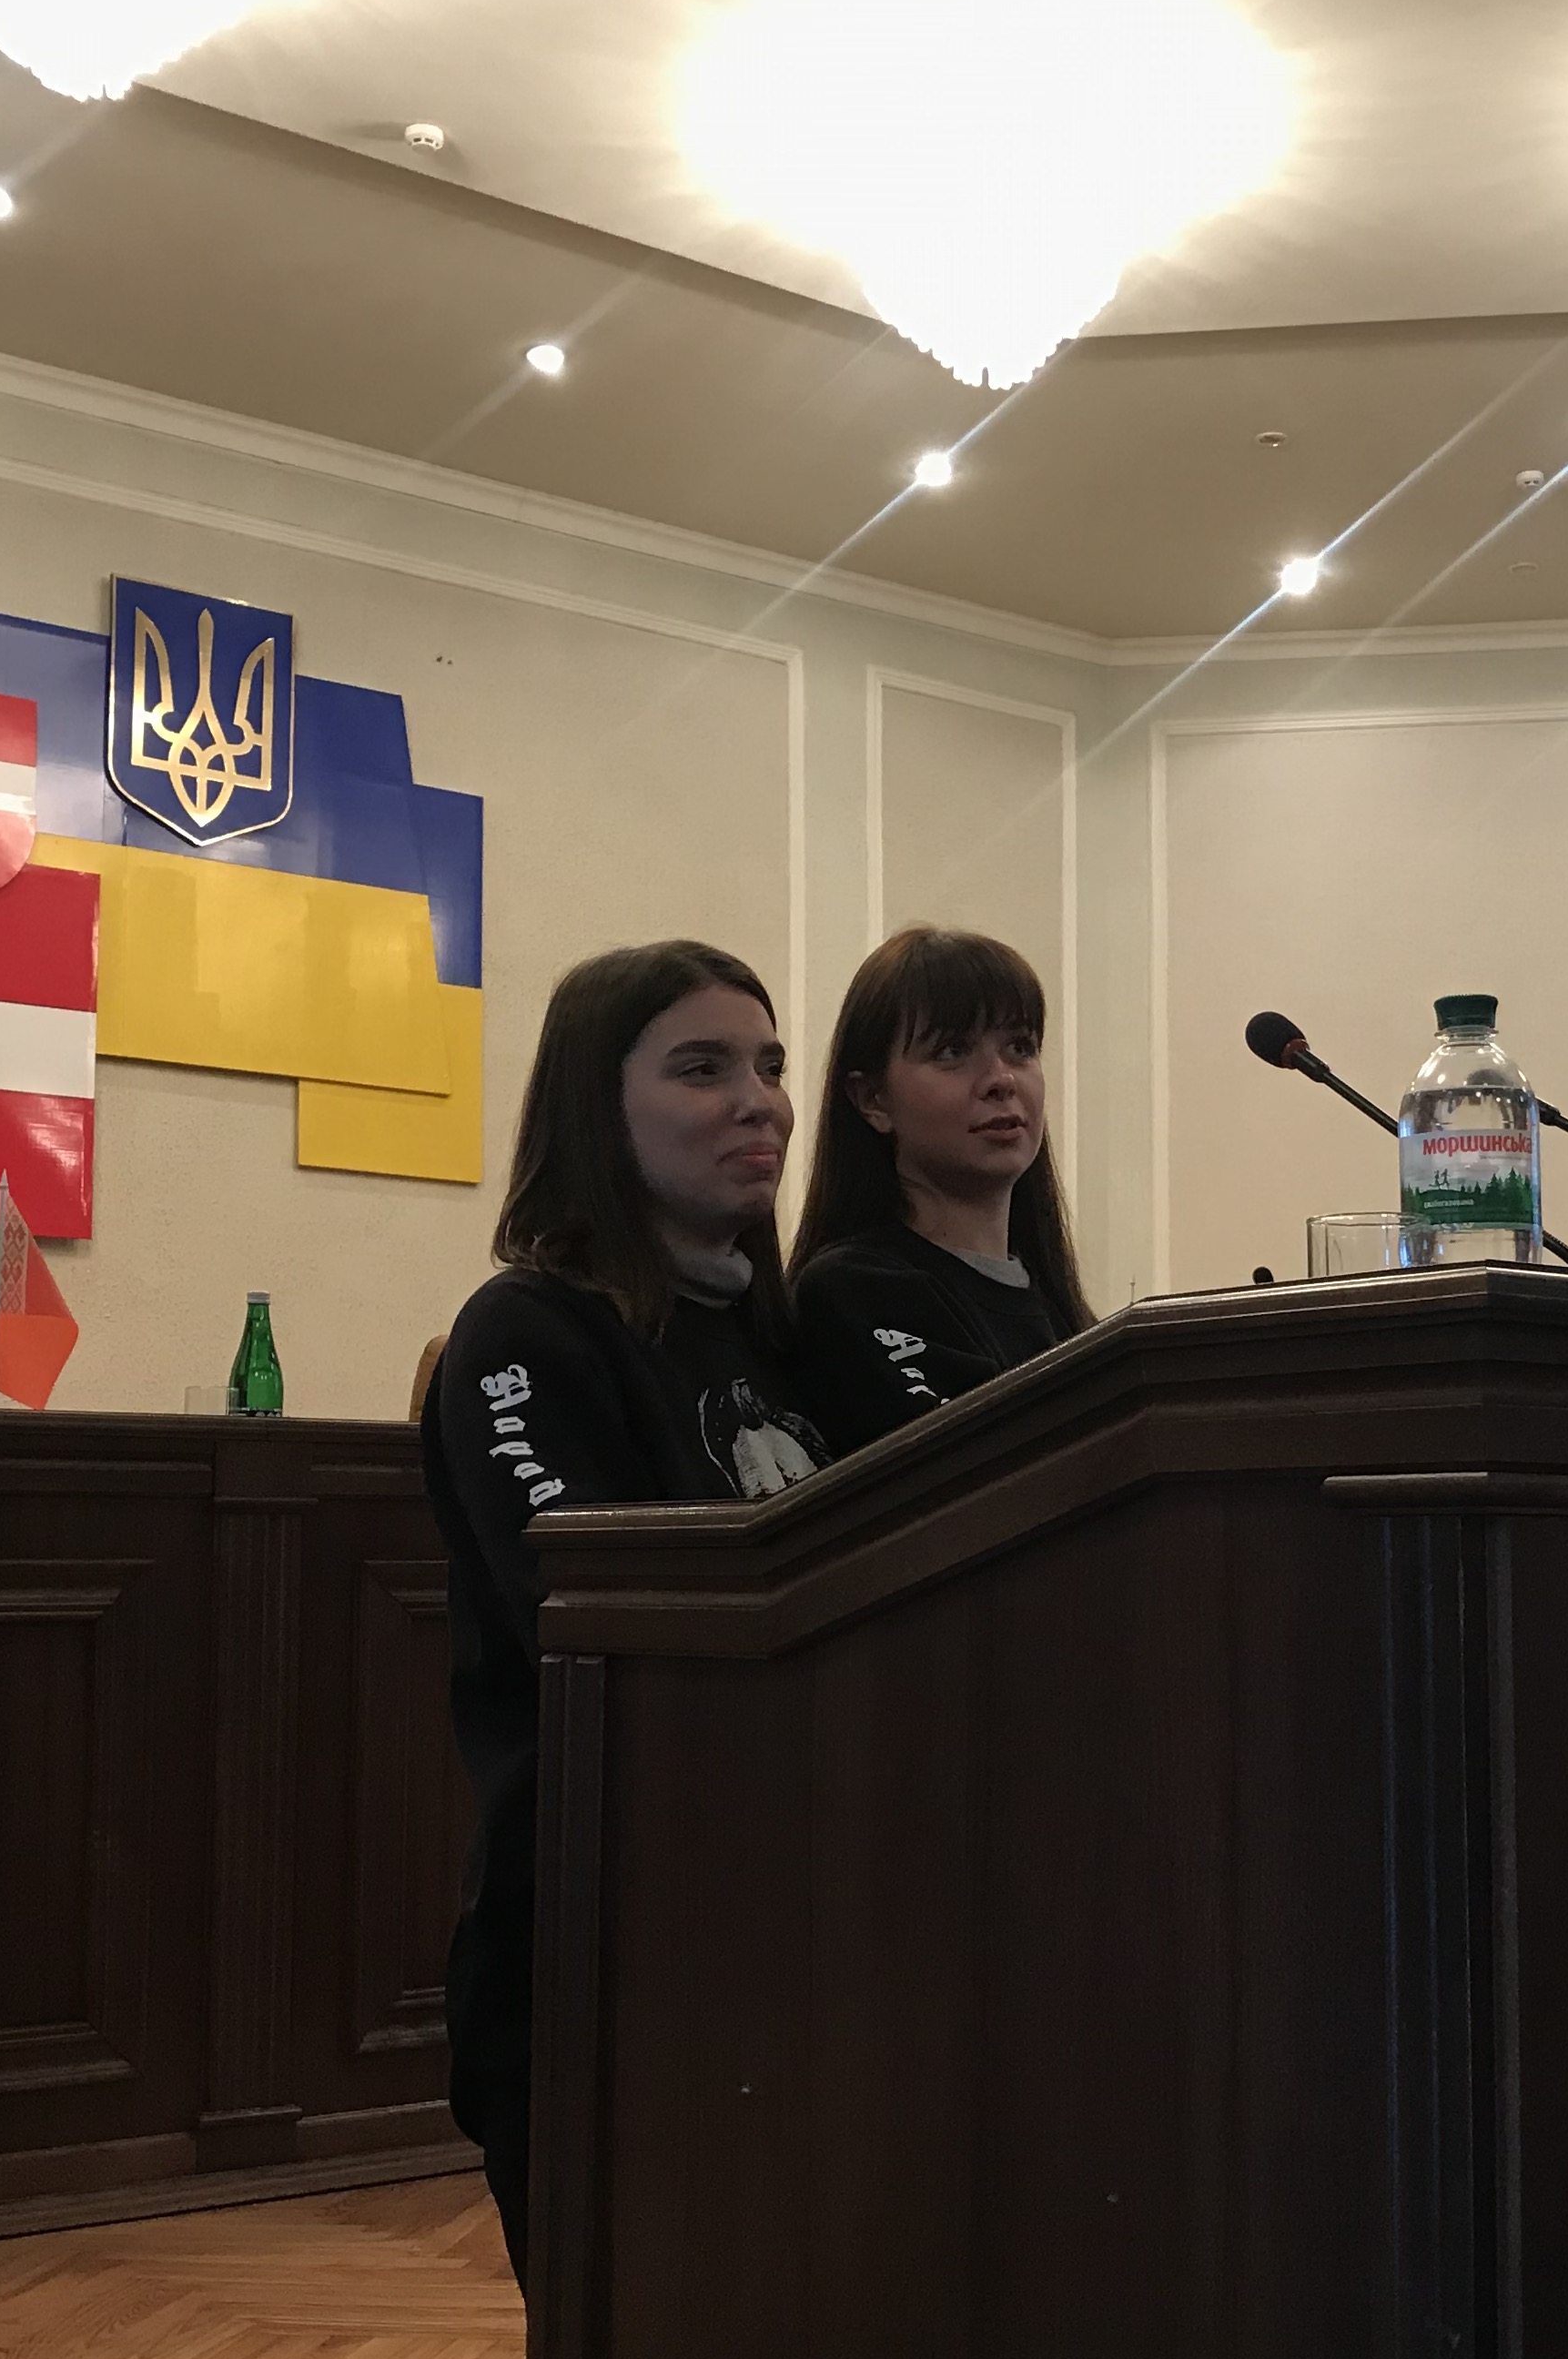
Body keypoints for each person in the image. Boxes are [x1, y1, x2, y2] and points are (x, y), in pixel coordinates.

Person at [421, 940, 831, 2274]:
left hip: (802, 1922)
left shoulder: (781, 1339)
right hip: (606, 1940)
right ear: (597, 1108)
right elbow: (596, 1616)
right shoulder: (526, 1332)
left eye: (770, 1066)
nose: (761, 1101)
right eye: (703, 1069)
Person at [786, 926, 1091, 1453]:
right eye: (953, 1051)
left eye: (1020, 1048)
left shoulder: (1061, 1309)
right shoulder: (855, 1291)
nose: (1002, 1079)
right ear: (873, 1099)